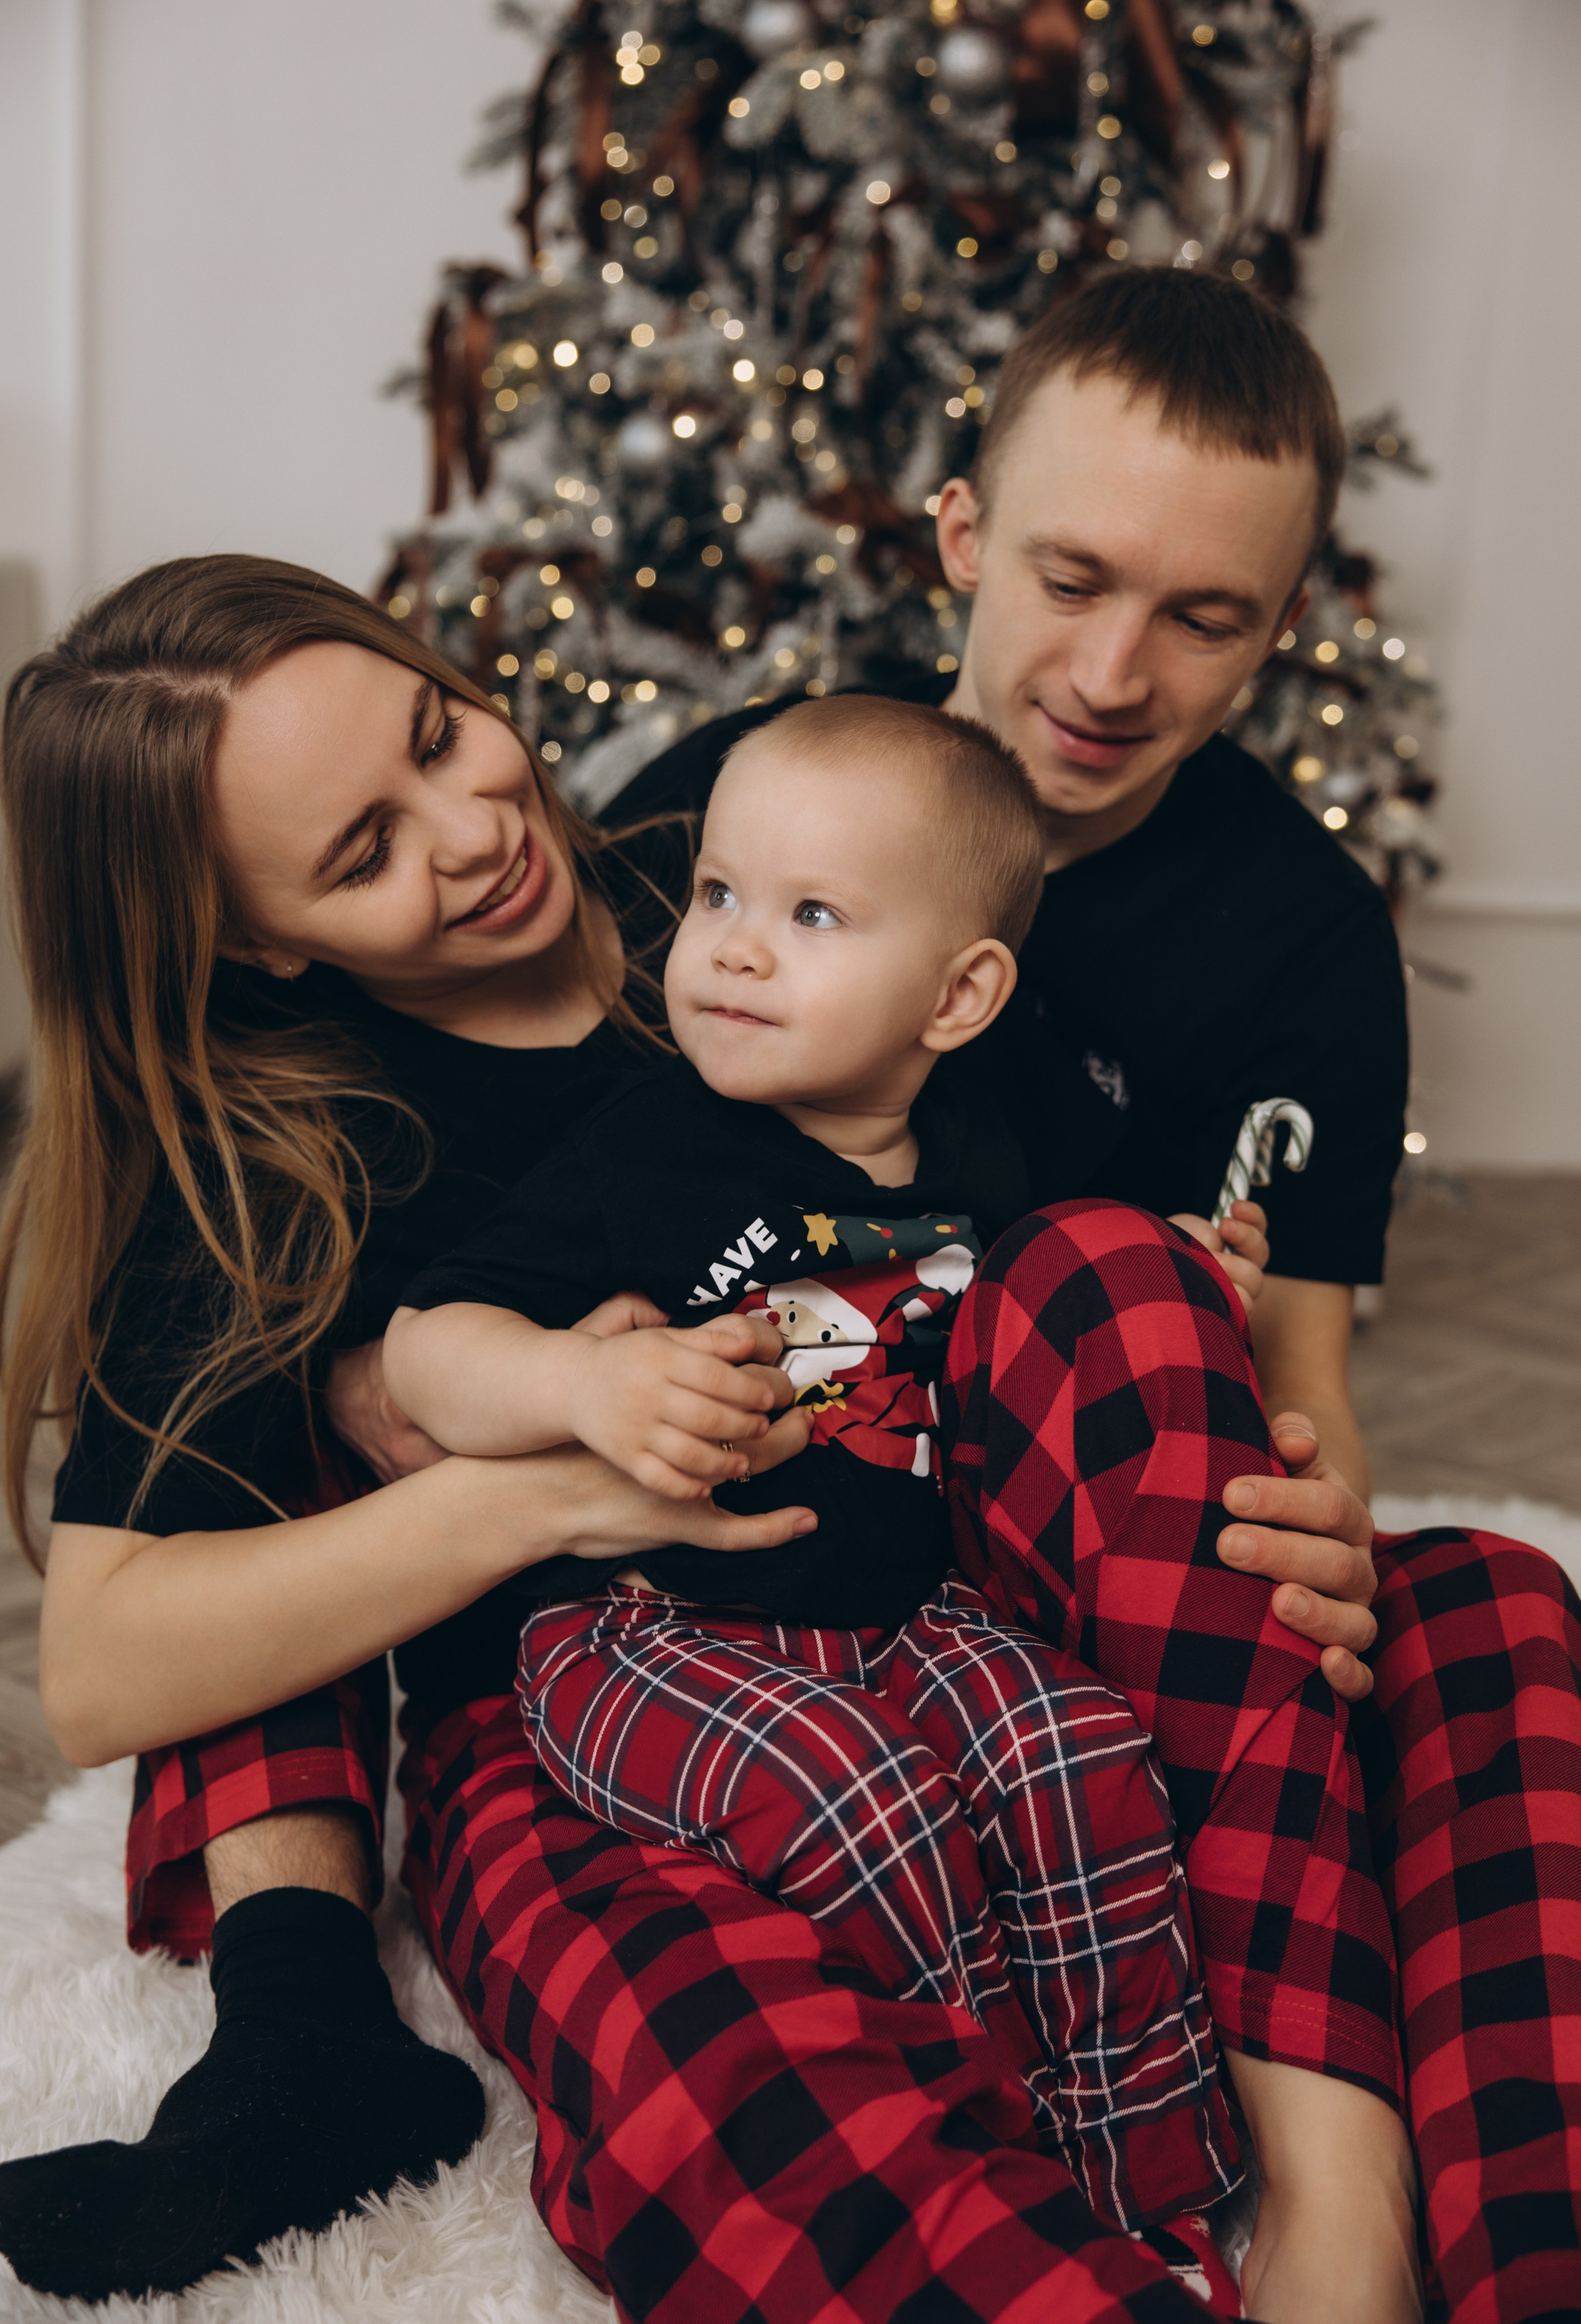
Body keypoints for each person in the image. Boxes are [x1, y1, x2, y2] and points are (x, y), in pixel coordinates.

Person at [0, 554, 1566, 2321]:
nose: (474, 827)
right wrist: (545, 1484)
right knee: (717, 2062)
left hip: (985, 1590)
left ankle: (1359, 2220)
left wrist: (1260, 1483)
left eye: (443, 733)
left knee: (1486, 1614)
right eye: (364, 851)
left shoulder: (733, 855)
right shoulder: (285, 1163)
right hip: (611, 1713)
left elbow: (1036, 1247)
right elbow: (113, 1667)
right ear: (256, 936)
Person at [384, 695, 1249, 2258]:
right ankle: (986, 2166)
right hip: (649, 1627)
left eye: (810, 914)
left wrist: (1195, 1268)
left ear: (957, 993)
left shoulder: (991, 1154)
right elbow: (421, 1349)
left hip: (907, 1608)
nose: (729, 947)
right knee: (873, 1811)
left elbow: (1063, 1300)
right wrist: (578, 1380)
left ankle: (1152, 2183)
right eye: (717, 894)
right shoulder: (645, 1146)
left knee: (1073, 1749)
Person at [607, 266, 1406, 1503]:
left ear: (1279, 626)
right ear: (963, 536)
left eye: (1201, 621)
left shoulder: (1312, 943)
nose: (1108, 678)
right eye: (1070, 582)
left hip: (1059, 1502)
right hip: (716, 1478)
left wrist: (1321, 1518)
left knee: (1496, 1594)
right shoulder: (726, 803)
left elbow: (1301, 1386)